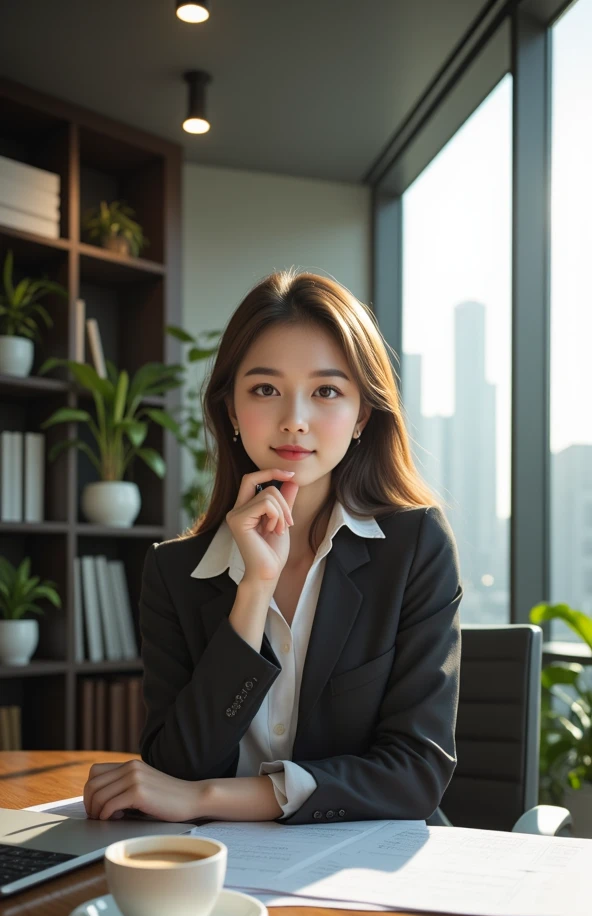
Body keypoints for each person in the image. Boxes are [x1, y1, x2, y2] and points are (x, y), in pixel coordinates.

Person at [83, 269, 462, 826]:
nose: (294, 421)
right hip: (219, 870)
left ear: (362, 415)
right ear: (232, 411)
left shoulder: (414, 547)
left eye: (326, 391)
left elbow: (415, 773)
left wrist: (205, 800)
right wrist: (254, 589)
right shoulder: (173, 571)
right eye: (265, 389)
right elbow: (176, 764)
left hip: (366, 868)